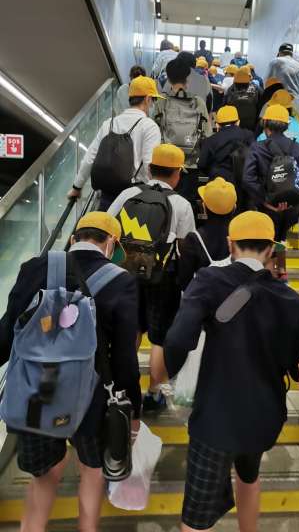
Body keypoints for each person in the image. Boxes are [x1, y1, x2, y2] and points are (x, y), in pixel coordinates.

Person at [152, 211, 299, 532]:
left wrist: (166, 374)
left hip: (216, 418)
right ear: (271, 248)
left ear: (230, 244)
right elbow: (297, 363)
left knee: (196, 519)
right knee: (249, 477)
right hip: (263, 417)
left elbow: (179, 338)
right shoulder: (290, 299)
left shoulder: (209, 280)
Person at [0, 211, 141, 532]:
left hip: (35, 395)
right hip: (91, 400)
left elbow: (8, 331)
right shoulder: (122, 281)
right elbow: (124, 358)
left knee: (44, 476)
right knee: (92, 470)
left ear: (75, 238)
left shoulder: (33, 267)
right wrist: (133, 409)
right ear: (111, 244)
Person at [108, 144, 195, 413]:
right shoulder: (181, 204)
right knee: (159, 337)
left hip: (125, 273)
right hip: (163, 278)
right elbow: (185, 247)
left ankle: (122, 388)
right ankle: (153, 394)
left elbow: (107, 227)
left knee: (129, 330)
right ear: (177, 174)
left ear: (149, 169)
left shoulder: (128, 194)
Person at [243, 104, 299, 278]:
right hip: (291, 208)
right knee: (281, 237)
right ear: (286, 125)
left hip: (267, 207)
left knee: (268, 239)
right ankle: (282, 271)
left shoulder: (257, 147)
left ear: (265, 123)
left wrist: (265, 200)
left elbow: (248, 178)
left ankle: (268, 276)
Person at [68, 76, 162, 211]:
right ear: (147, 99)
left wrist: (77, 187)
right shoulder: (149, 126)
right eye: (154, 100)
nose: (153, 105)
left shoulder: (109, 123)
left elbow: (90, 158)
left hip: (107, 195)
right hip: (134, 198)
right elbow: (149, 164)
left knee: (105, 224)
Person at [155, 58, 212, 210]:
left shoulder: (161, 102)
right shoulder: (198, 102)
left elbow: (155, 131)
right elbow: (207, 134)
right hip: (191, 163)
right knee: (187, 203)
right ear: (187, 78)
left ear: (168, 78)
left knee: (165, 202)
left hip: (166, 163)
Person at [178, 177, 237, 290]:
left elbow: (184, 281)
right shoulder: (240, 238)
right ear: (234, 208)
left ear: (204, 207)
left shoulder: (193, 239)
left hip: (202, 298)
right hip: (234, 298)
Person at [199, 105, 254, 189]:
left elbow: (202, 164)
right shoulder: (249, 136)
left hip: (218, 186)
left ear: (217, 125)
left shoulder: (210, 141)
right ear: (238, 122)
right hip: (243, 187)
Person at [224, 66, 262, 132]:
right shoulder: (257, 88)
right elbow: (262, 106)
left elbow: (225, 106)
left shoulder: (230, 89)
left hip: (235, 124)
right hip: (252, 125)